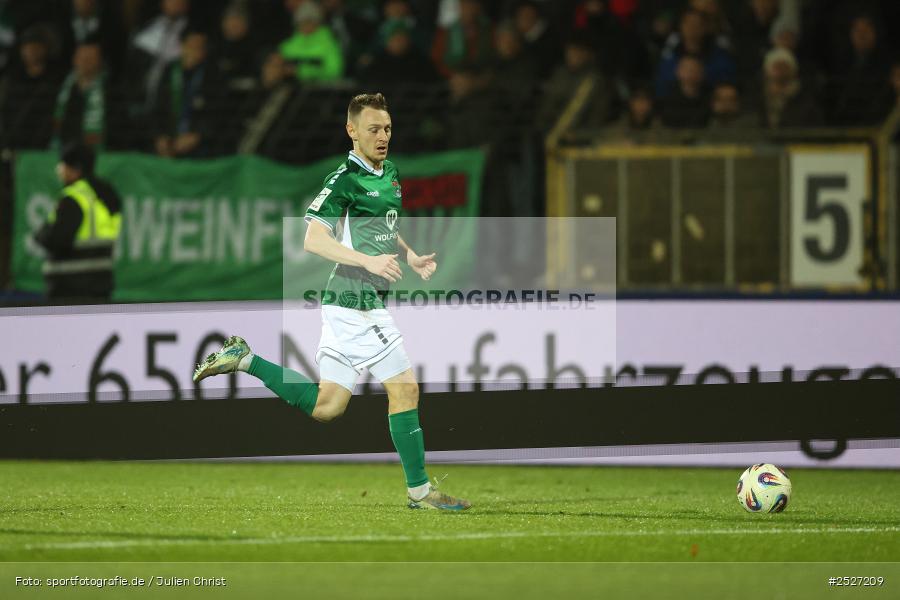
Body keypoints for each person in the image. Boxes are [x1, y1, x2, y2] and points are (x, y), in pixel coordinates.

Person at [193, 93, 471, 512]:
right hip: (354, 299)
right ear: (352, 131)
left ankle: (246, 359)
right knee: (406, 389)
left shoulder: (389, 172)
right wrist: (368, 262)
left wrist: (409, 254)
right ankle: (420, 492)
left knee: (328, 406)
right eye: (374, 129)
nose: (382, 137)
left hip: (349, 302)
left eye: (388, 129)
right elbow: (313, 238)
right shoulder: (343, 178)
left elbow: (383, 226)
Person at [33, 142, 121, 303]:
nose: (59, 170)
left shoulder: (74, 198)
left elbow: (58, 240)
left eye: (63, 165)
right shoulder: (108, 194)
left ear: (75, 169)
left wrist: (41, 234)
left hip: (69, 288)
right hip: (101, 284)